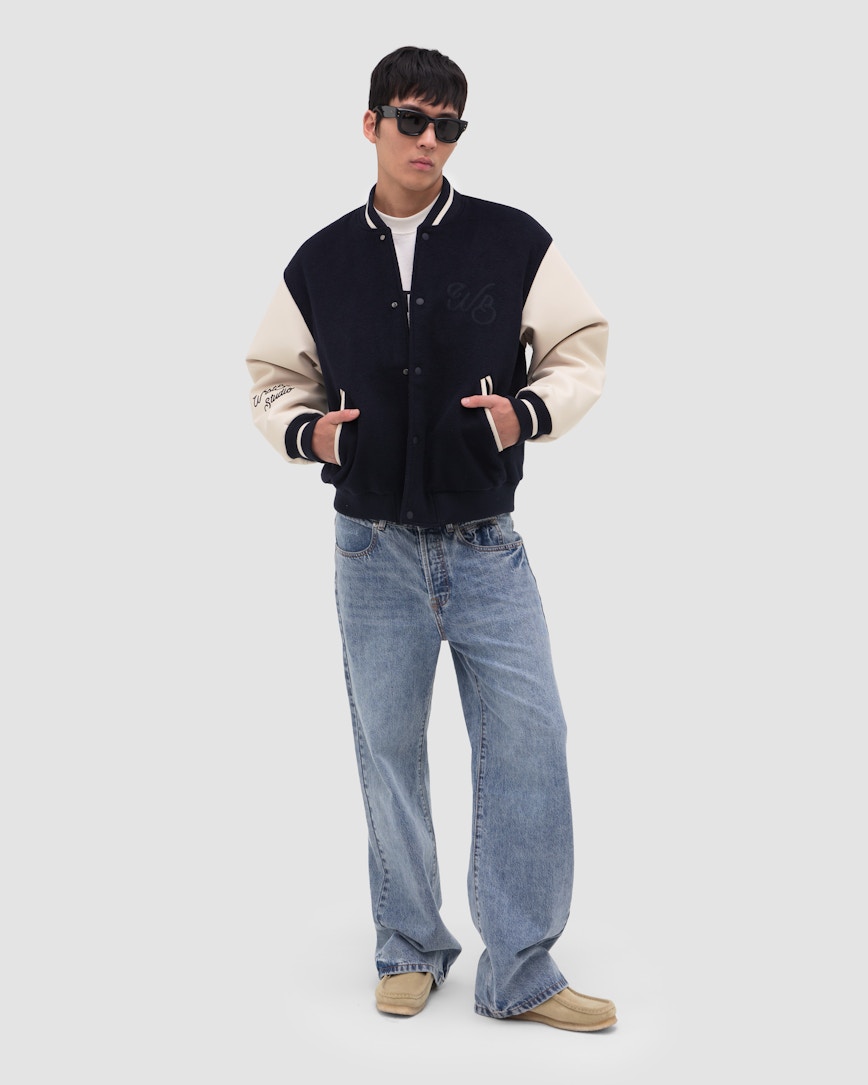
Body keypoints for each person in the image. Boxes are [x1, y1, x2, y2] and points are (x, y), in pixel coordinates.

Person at [246, 44, 615, 1032]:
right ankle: (409, 943)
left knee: (531, 740)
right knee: (389, 748)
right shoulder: (322, 260)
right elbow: (273, 376)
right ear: (371, 125)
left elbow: (579, 348)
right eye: (411, 121)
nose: (429, 142)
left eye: (447, 126)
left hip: (487, 544)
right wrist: (312, 433)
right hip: (371, 552)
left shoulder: (511, 240)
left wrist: (524, 415)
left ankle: (521, 968)